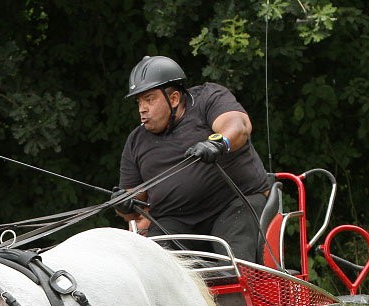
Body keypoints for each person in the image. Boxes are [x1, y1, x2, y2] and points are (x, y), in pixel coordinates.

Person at [116, 55, 271, 263]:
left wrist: (218, 143)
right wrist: (123, 206)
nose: (142, 108)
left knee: (231, 268)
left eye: (149, 99)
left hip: (234, 204)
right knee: (150, 265)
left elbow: (239, 125)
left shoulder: (208, 98)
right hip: (176, 221)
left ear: (174, 98)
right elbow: (135, 209)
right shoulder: (135, 141)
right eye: (139, 101)